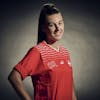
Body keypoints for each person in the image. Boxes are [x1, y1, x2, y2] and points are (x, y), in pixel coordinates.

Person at [8, 3, 77, 100]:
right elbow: (14, 77)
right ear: (43, 28)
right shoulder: (38, 51)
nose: (58, 29)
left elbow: (70, 86)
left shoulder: (65, 52)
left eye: (60, 23)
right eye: (52, 25)